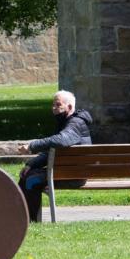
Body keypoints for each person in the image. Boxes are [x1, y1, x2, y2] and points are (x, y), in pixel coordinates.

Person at [17, 90, 92, 222]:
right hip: (65, 172)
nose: (54, 108)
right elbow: (52, 151)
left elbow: (61, 140)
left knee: (31, 180)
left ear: (69, 107)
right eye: (53, 105)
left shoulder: (75, 123)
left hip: (73, 175)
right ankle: (23, 218)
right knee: (26, 176)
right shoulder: (66, 122)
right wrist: (31, 164)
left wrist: (32, 146)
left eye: (58, 105)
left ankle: (31, 221)